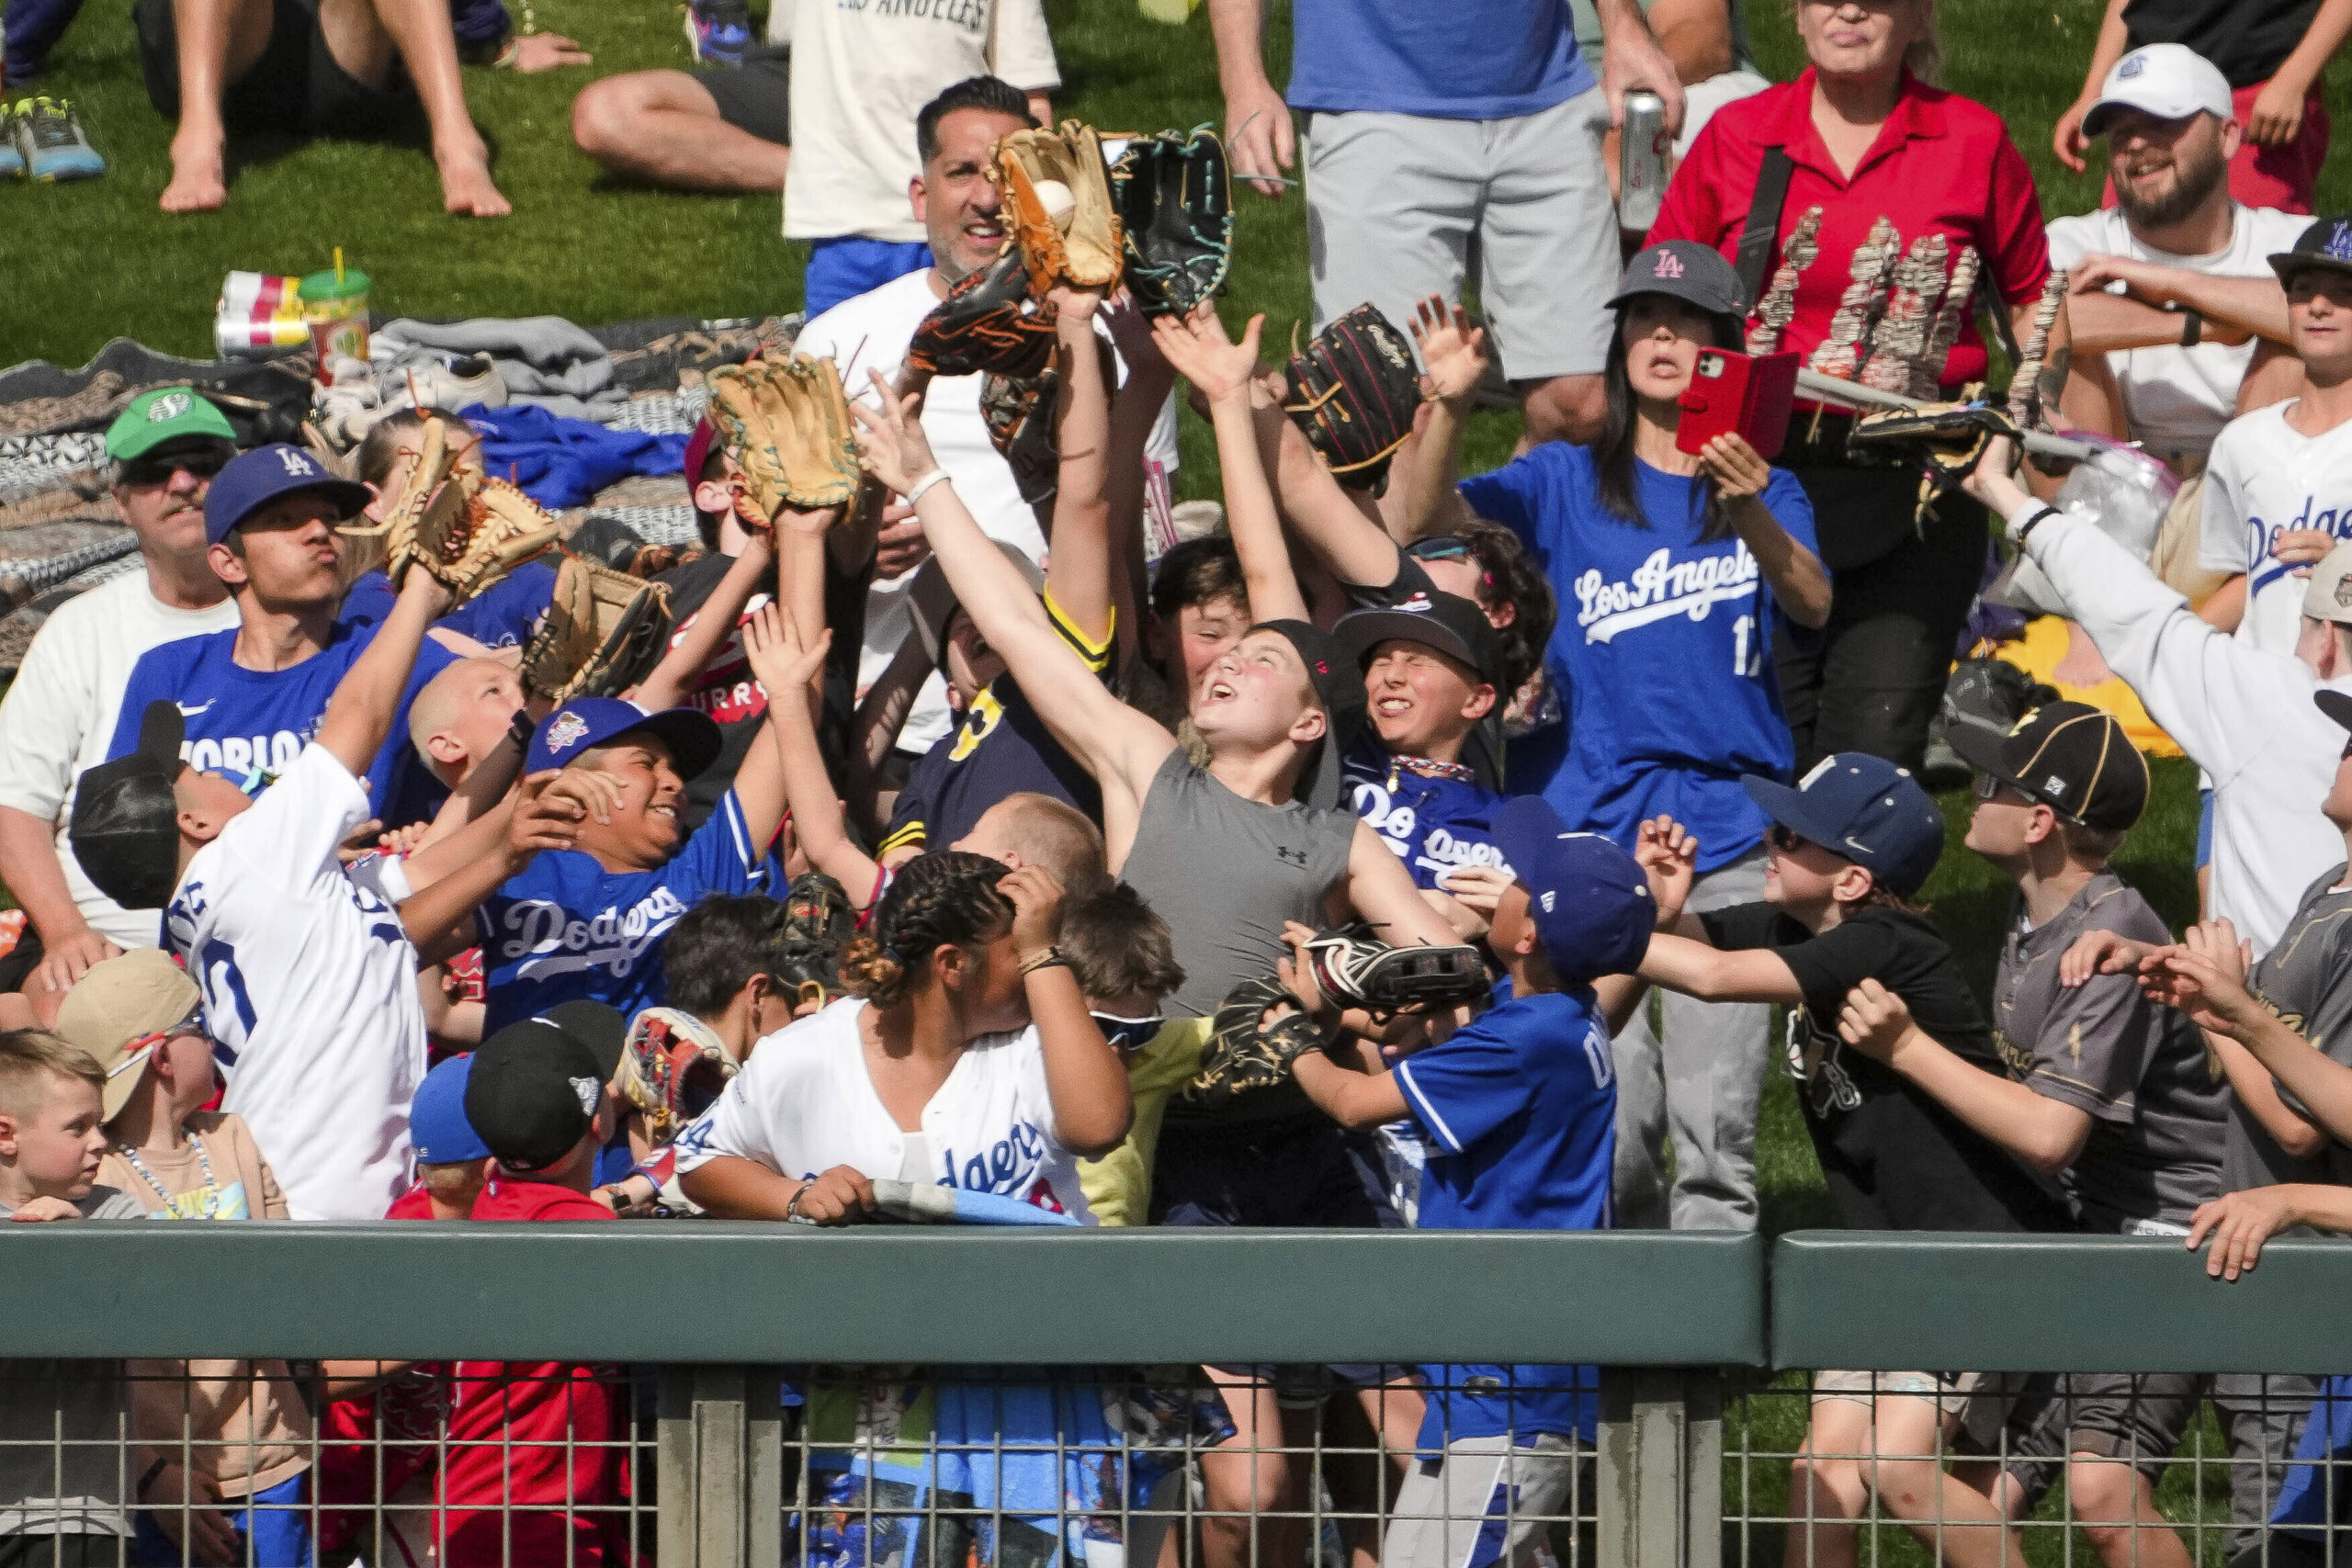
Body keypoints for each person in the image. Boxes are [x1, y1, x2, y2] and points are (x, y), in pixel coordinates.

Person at [1418, 243, 1828, 1232]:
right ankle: (1629, 1373)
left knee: (1716, 1141)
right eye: (1644, 318)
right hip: (1588, 845)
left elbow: (1812, 602)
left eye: (1687, 322)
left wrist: (1749, 517)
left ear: (1725, 351)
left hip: (1725, 837)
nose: (1662, 336)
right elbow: (1429, 522)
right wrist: (1447, 402)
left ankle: (1696, 1386)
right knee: (1613, 1132)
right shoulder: (1559, 481)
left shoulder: (1767, 489)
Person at [1834, 705, 2240, 1568]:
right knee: (1979, 1500)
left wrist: (1907, 1047)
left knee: (2103, 1488)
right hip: (2085, 1232)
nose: (1971, 797)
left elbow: (2050, 1131)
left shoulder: (2114, 934)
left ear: (2040, 819)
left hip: (2172, 1232)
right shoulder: (2035, 923)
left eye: (1991, 783)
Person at [1635, 755, 2066, 1568]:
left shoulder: (1887, 942)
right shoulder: (1802, 930)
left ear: (1853, 880)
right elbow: (1697, 945)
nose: (1768, 839)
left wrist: (1596, 920)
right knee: (1820, 1470)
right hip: (1893, 1258)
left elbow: (1718, 978)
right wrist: (1662, 909)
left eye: (1793, 835)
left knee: (1895, 1468)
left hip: (1977, 1254)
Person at [1648, 0, 2064, 777]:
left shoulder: (1972, 140)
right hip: (1754, 475)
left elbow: (2034, 293)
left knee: (1872, 758)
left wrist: (2040, 399)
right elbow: (1663, 303)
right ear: (1797, 17)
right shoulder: (1740, 136)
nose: (1847, 8)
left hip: (1917, 486)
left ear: (1916, 17)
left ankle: (1860, 898)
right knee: (1753, 752)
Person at [1287, 801, 1653, 1568]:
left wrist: (1287, 1034)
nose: (1503, 882)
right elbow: (1435, 1059)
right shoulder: (1560, 1011)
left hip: (1515, 1380)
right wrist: (1352, 1018)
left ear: (1527, 934)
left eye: (1519, 880)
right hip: (1489, 1371)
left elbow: (1354, 1102)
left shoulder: (1522, 1039)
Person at [66, 543, 478, 1220]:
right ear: (195, 819)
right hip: (326, 1198)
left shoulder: (205, 906)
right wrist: (423, 592)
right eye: (198, 771)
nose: (220, 772)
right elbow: (361, 715)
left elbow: (426, 876)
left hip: (287, 1177)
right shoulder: (250, 855)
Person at [797, 77, 1180, 758]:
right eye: (962, 172)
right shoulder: (837, 343)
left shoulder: (1116, 344)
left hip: (1067, 713)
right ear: (921, 196)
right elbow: (797, 557)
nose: (987, 197)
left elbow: (1135, 547)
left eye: (1009, 173)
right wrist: (857, 534)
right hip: (886, 730)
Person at [1961, 408, 2352, 960]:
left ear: (2327, 639)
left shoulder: (2265, 701)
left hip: (2272, 1018)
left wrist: (2003, 490)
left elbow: (2126, 602)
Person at [1206, 0, 1684, 445]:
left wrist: (1624, 24)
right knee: (1384, 419)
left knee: (1586, 408)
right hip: (1372, 100)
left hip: (1546, 93)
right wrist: (1242, 77)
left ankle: (1495, 536)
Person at [47, 951, 315, 1568]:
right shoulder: (92, 1173)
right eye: (199, 1019)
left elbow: (290, 1277)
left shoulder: (232, 1136)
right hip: (152, 1474)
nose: (213, 1032)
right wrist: (153, 1474)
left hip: (271, 1460)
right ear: (161, 1054)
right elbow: (88, 1358)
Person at [0, 389, 240, 1006]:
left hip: (268, 924)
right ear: (120, 502)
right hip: (101, 936)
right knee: (70, 1022)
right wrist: (65, 932)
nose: (183, 482)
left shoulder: (295, 615)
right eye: (155, 472)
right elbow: (14, 804)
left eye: (203, 461)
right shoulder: (81, 631)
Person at [105, 443, 459, 831]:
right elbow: (123, 832)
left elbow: (500, 721)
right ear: (229, 562)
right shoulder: (169, 672)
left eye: (329, 517)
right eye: (287, 519)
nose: (320, 532)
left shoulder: (390, 654)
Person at [2049, 47, 2312, 475]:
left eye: (2160, 124)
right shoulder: (2075, 241)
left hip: (2253, 483)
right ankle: (2088, 536)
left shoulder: (2292, 241)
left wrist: (2171, 282)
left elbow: (2338, 315)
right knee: (2058, 354)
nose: (2135, 143)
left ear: (2228, 137)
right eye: (2120, 132)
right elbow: (2034, 322)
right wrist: (2202, 327)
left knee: (2297, 346)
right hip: (2113, 478)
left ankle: (2248, 532)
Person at [438, 1016, 629, 1568]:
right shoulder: (594, 1242)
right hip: (539, 1524)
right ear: (598, 1126)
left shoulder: (492, 1201)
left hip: (470, 1509)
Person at [133, 0, 587, 214]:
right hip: (220, 54)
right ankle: (199, 139)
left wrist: (491, 42)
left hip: (342, 55)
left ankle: (458, 144)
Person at [0, 1032, 147, 1568]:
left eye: (99, 1123)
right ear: (5, 1134)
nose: (100, 1141)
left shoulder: (115, 1215)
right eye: (77, 1127)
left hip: (78, 1514)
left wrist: (76, 1244)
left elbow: (146, 1314)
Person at [2193, 215, 2352, 658]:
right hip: (2260, 698)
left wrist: (2343, 566)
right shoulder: (2242, 442)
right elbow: (2247, 578)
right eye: (2303, 291)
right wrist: (2177, 644)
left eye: (2344, 293)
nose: (2319, 306)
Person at [2053, 0, 2352, 216]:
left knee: (2246, 275)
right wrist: (2094, 90)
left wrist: (2293, 80)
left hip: (2253, 90)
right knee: (2127, 262)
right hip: (2145, 88)